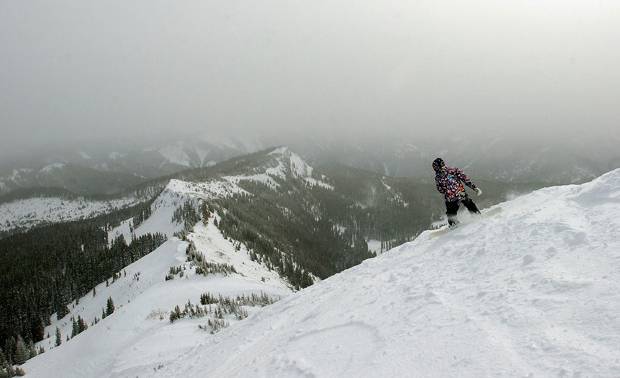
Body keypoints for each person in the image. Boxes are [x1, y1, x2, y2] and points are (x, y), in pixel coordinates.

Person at [432, 157, 482, 227]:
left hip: (456, 195)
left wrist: (474, 188)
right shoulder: (447, 173)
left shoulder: (446, 173)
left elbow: (464, 179)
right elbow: (440, 189)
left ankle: (476, 217)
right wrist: (474, 188)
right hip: (456, 195)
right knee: (459, 209)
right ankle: (455, 224)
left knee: (465, 205)